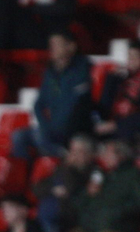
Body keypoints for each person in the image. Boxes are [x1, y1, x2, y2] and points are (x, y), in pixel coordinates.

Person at [12, 30, 93, 159]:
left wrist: (59, 128)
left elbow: (78, 105)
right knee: (19, 136)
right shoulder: (50, 73)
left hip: (72, 129)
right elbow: (39, 104)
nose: (52, 48)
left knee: (41, 138)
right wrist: (45, 126)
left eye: (57, 44)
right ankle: (26, 174)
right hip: (51, 129)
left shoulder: (82, 69)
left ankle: (63, 155)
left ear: (71, 46)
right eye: (51, 44)